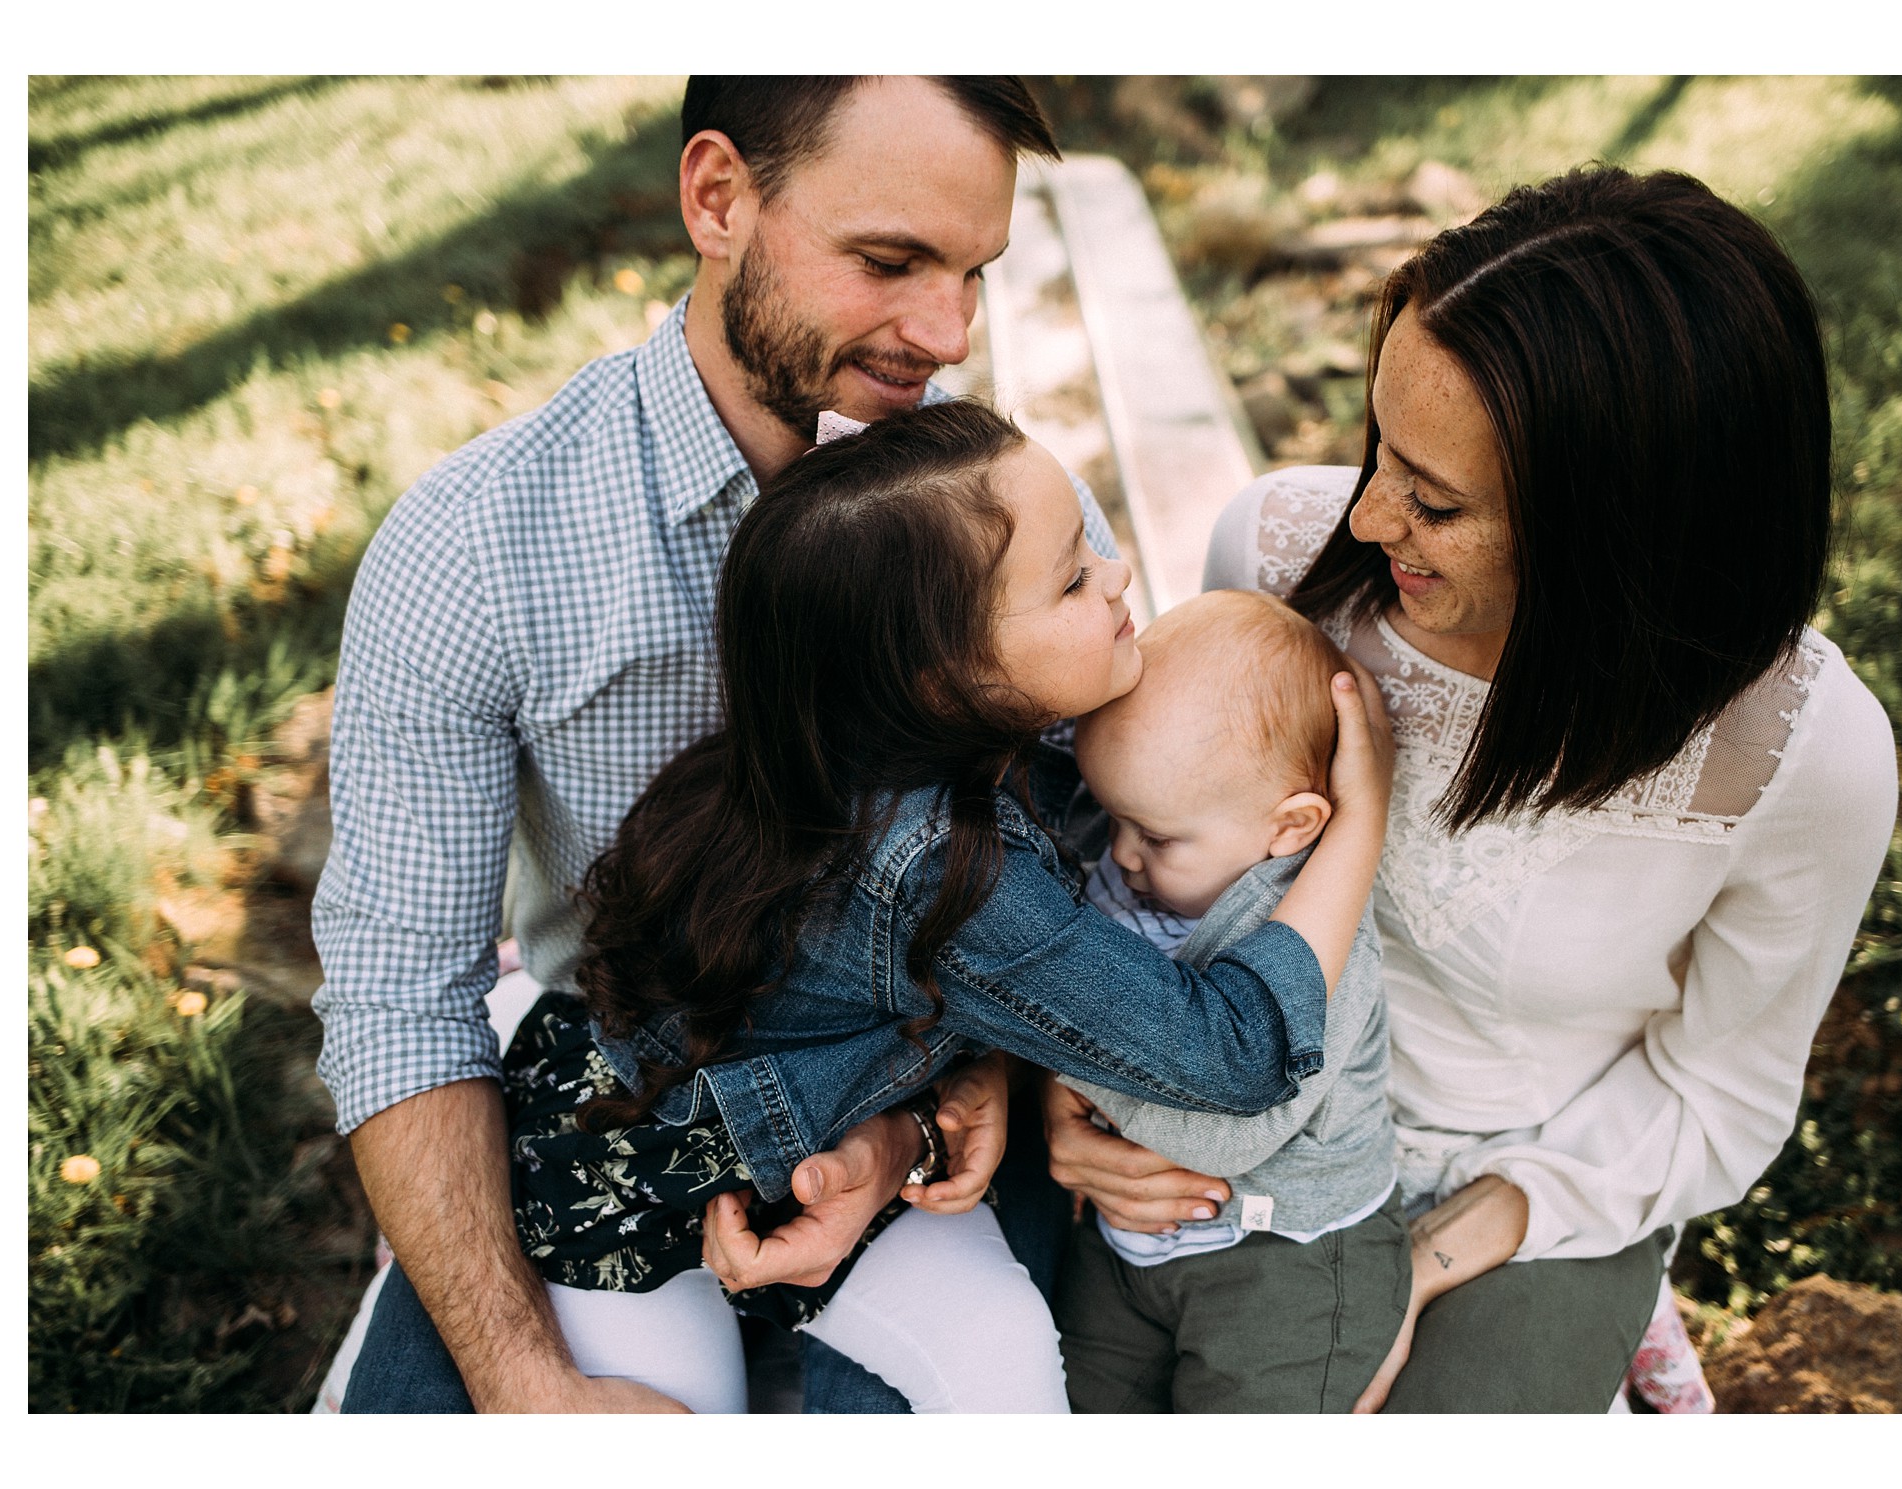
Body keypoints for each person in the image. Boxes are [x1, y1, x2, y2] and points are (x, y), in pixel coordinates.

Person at [1042, 165, 1901, 1412]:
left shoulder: (1800, 755)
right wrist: (1075, 1095)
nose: (1370, 510)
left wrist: (1428, 1258)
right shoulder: (1279, 562)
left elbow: (1719, 1093)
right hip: (1239, 1116)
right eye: (1377, 443)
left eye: (1435, 499)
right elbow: (1145, 857)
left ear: (1619, 535)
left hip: (1533, 1189)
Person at [311, 76, 1105, 1413]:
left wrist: (978, 1076)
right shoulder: (476, 547)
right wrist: (524, 1387)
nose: (944, 332)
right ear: (718, 197)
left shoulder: (1010, 512)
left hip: (903, 1107)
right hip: (610, 1098)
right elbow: (401, 997)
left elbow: (1103, 834)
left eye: (972, 272)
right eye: (888, 261)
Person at [495, 401, 1392, 1411]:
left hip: (802, 1133)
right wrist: (1359, 823)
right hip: (621, 1180)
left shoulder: (897, 741)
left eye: (1093, 550)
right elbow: (1230, 1058)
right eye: (1071, 577)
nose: (1118, 574)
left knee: (998, 1360)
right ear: (947, 676)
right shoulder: (939, 869)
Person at [1048, 589, 1408, 1412]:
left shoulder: (1321, 937)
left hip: (1289, 1262)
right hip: (1126, 1243)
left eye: (1158, 835)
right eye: (1112, 816)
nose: (1125, 854)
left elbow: (1222, 1125)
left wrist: (1049, 1042)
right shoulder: (1135, 853)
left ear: (1290, 826)